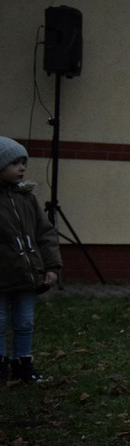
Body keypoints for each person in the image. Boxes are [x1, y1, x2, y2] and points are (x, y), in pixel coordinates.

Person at [0, 137, 61, 385]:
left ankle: (23, 363)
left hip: (27, 276)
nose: (22, 168)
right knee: (0, 321)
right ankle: (1, 363)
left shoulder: (26, 198)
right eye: (15, 163)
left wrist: (52, 266)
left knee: (25, 321)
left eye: (23, 162)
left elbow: (44, 233)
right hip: (2, 276)